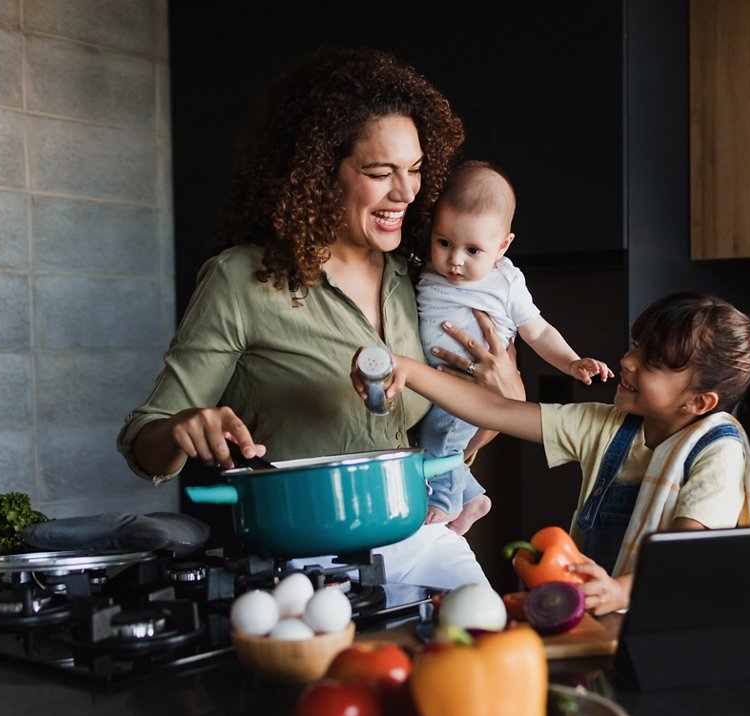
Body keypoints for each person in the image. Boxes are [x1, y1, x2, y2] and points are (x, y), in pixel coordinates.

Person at [116, 47, 525, 590]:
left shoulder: (427, 278)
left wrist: (505, 394)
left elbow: (482, 418)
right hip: (304, 569)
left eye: (416, 169)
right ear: (320, 171)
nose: (406, 192)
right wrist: (182, 428)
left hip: (420, 544)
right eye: (380, 172)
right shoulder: (242, 281)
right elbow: (145, 444)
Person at [353, 292, 750, 614]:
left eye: (651, 362)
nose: (628, 362)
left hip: (669, 628)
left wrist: (619, 591)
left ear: (698, 403)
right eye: (637, 347)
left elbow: (686, 557)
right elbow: (495, 409)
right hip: (602, 617)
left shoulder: (718, 451)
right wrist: (408, 370)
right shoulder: (607, 427)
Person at [416, 161, 612, 525]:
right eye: (443, 242)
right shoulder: (428, 269)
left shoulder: (504, 283)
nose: (454, 260)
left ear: (502, 246)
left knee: (438, 439)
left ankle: (445, 503)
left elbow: (537, 332)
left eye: (472, 250)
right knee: (438, 442)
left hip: (469, 388)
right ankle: (472, 497)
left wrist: (571, 362)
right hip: (436, 381)